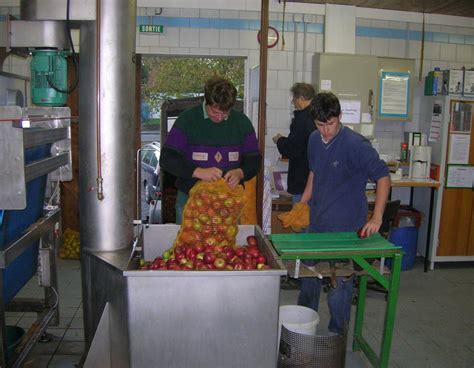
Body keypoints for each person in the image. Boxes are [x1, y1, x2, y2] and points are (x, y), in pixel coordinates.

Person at [298, 92, 390, 335]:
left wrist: (377, 217)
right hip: (316, 226)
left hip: (346, 230)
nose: (326, 130)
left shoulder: (356, 145)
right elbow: (314, 172)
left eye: (330, 124)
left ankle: (335, 338)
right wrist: (303, 203)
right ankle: (302, 327)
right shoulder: (313, 140)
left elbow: (383, 176)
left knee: (339, 288)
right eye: (320, 125)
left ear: (339, 117)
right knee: (307, 278)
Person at [159, 77, 261, 223]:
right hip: (191, 201)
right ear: (206, 101)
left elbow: (254, 160)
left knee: (228, 245)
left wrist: (240, 172)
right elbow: (167, 159)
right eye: (215, 112)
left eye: (225, 113)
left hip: (229, 203)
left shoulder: (242, 123)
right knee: (187, 245)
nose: (220, 118)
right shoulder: (187, 120)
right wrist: (198, 171)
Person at [272, 83, 316, 203]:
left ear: (301, 98)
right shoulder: (318, 114)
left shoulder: (302, 119)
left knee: (300, 218)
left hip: (302, 180)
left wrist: (280, 140)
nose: (293, 102)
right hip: (317, 181)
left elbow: (292, 149)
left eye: (294, 99)